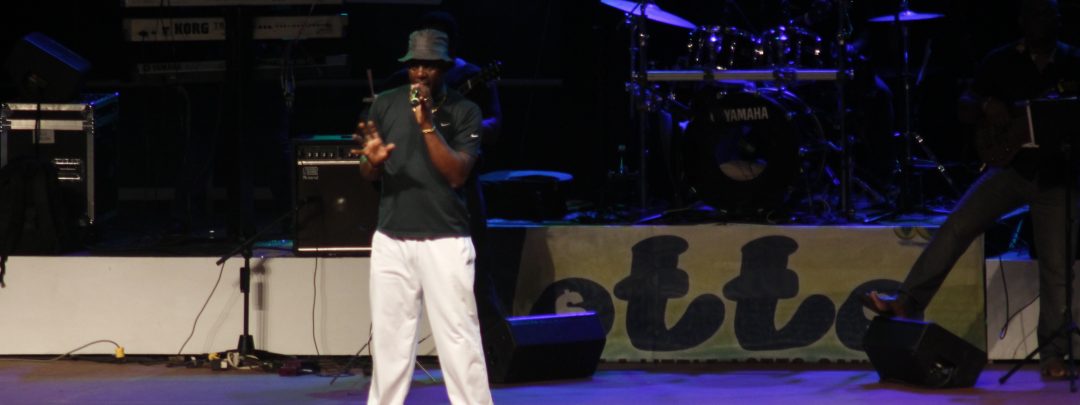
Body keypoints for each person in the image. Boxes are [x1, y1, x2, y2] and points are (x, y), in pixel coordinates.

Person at [862, 0, 1080, 380]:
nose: (1041, 21)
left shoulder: (1073, 61)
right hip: (1010, 168)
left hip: (1057, 177)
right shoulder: (1001, 60)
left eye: (1048, 14)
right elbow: (965, 104)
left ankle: (1053, 353)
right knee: (957, 225)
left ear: (1059, 20)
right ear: (1022, 20)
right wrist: (985, 105)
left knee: (1056, 268)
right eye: (1034, 14)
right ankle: (908, 302)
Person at [355, 28, 494, 404]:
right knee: (390, 341)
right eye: (415, 64)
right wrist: (372, 162)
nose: (420, 72)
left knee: (459, 338)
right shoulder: (385, 104)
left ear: (444, 68)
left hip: (445, 239)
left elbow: (457, 174)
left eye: (429, 65)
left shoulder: (465, 111)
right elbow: (368, 173)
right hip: (392, 238)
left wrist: (427, 124)